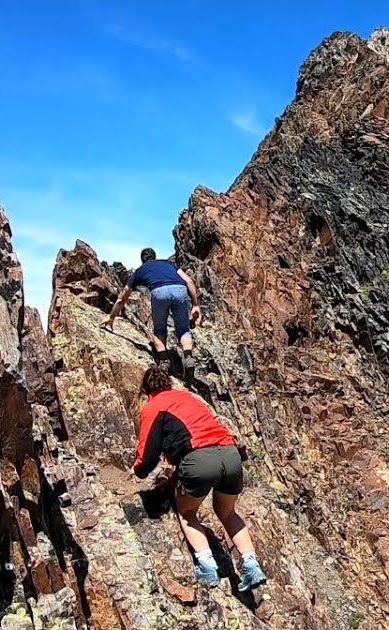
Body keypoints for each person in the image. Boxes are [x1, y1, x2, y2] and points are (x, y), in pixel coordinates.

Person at [132, 366, 267, 591]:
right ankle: (252, 566)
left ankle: (207, 568)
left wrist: (138, 471)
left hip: (199, 460)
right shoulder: (187, 398)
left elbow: (148, 457)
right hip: (230, 454)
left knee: (187, 512)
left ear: (146, 390)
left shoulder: (153, 406)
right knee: (227, 512)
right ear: (168, 384)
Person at [103, 248, 202, 370]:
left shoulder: (140, 271)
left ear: (142, 260)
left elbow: (121, 298)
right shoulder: (168, 264)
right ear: (155, 257)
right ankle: (188, 358)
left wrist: (111, 317)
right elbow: (189, 281)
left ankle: (164, 361)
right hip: (180, 289)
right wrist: (195, 305)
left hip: (159, 291)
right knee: (183, 329)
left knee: (159, 330)